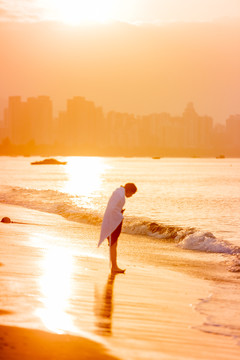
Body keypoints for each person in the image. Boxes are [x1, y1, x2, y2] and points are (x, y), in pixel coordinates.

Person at [98, 183, 137, 273]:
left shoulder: (118, 192)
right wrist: (119, 213)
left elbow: (112, 208)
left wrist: (119, 212)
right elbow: (112, 209)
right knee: (113, 244)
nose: (131, 196)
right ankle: (114, 267)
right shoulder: (120, 195)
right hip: (113, 222)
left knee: (113, 244)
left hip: (112, 220)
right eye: (132, 194)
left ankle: (114, 266)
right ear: (129, 191)